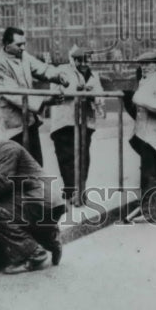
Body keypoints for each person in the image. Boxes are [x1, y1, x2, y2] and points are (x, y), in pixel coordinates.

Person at [0, 127, 65, 274]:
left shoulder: (3, 148)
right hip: (39, 204)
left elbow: (2, 186)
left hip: (43, 202)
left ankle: (35, 254)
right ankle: (49, 239)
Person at [0, 26, 67, 165]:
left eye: (24, 43)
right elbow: (14, 94)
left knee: (36, 167)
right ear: (6, 45)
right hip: (13, 128)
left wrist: (58, 75)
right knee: (20, 171)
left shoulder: (23, 57)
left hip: (29, 123)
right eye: (19, 44)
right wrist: (45, 101)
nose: (23, 47)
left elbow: (42, 69)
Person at [123, 49, 156, 222]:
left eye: (148, 64)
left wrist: (138, 98)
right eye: (142, 64)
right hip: (146, 135)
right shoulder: (145, 82)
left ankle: (151, 212)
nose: (144, 67)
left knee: (149, 174)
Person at [49, 46, 104, 205]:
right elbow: (56, 92)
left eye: (88, 60)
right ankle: (71, 191)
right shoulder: (63, 70)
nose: (86, 63)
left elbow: (100, 97)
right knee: (67, 157)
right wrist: (77, 90)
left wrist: (95, 98)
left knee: (84, 157)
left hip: (85, 121)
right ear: (75, 60)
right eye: (82, 60)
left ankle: (80, 190)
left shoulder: (94, 75)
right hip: (65, 122)